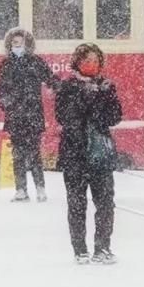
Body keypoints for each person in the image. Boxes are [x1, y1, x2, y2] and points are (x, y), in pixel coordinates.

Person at [55, 43, 122, 265]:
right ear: (78, 63)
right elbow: (65, 118)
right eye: (87, 61)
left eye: (95, 61)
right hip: (75, 153)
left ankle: (103, 247)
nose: (91, 65)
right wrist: (85, 98)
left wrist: (103, 98)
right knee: (77, 202)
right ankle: (80, 249)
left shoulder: (107, 86)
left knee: (105, 202)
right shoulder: (68, 87)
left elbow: (114, 117)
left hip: (100, 154)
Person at [0, 28, 59, 203]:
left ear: (27, 44)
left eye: (20, 43)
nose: (17, 46)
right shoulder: (6, 64)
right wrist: (5, 103)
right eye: (14, 43)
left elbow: (50, 79)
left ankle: (39, 188)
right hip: (16, 114)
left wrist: (60, 87)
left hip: (31, 114)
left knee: (34, 153)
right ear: (10, 44)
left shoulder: (35, 62)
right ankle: (21, 189)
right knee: (18, 154)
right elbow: (0, 88)